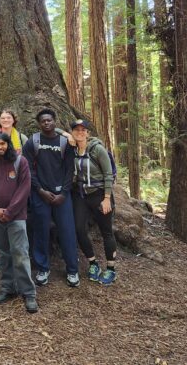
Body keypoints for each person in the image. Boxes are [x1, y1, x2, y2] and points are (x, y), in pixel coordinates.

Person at [0, 132, 38, 313]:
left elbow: (24, 188)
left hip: (16, 217)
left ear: (9, 145)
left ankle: (29, 293)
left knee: (20, 253)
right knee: (3, 254)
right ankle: (8, 287)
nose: (0, 147)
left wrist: (10, 211)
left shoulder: (21, 162)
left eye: (3, 144)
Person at [23, 109, 79, 287]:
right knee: (40, 231)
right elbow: (28, 170)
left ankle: (72, 270)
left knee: (68, 232)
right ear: (39, 124)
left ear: (55, 121)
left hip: (63, 195)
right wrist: (40, 190)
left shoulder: (65, 142)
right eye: (43, 121)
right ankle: (42, 268)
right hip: (40, 195)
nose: (46, 123)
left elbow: (70, 169)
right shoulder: (33, 141)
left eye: (49, 120)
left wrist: (63, 193)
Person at [70, 119, 118, 285]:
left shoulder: (97, 149)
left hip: (99, 195)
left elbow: (108, 174)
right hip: (82, 196)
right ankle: (93, 263)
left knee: (106, 231)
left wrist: (106, 198)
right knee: (78, 229)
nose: (80, 132)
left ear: (88, 133)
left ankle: (111, 269)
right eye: (76, 130)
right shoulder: (73, 149)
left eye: (83, 130)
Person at [0, 109, 29, 270]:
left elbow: (27, 158)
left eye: (9, 117)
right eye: (3, 118)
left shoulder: (21, 138)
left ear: (14, 120)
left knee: (17, 228)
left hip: (16, 183)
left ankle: (19, 265)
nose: (6, 120)